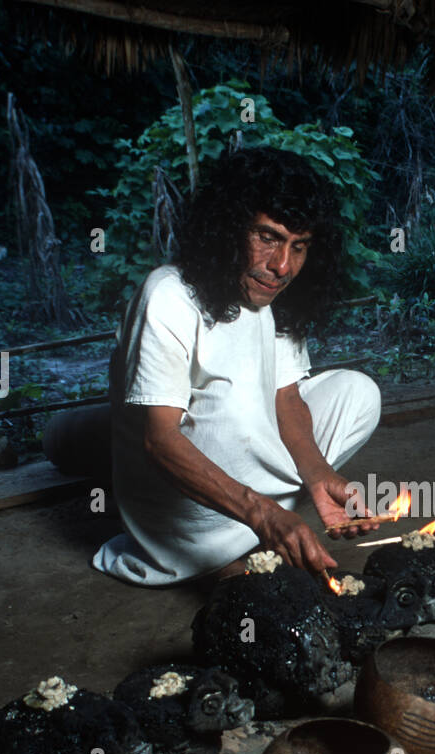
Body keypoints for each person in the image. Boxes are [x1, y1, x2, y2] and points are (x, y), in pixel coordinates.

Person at [93, 148, 382, 586]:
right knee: (238, 400)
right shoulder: (167, 294)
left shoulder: (272, 293)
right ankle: (238, 543)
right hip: (183, 525)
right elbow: (158, 440)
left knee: (358, 392)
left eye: (298, 246)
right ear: (227, 229)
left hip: (250, 496)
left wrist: (320, 476)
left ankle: (267, 526)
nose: (282, 266)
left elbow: (286, 397)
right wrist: (262, 514)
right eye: (268, 237)